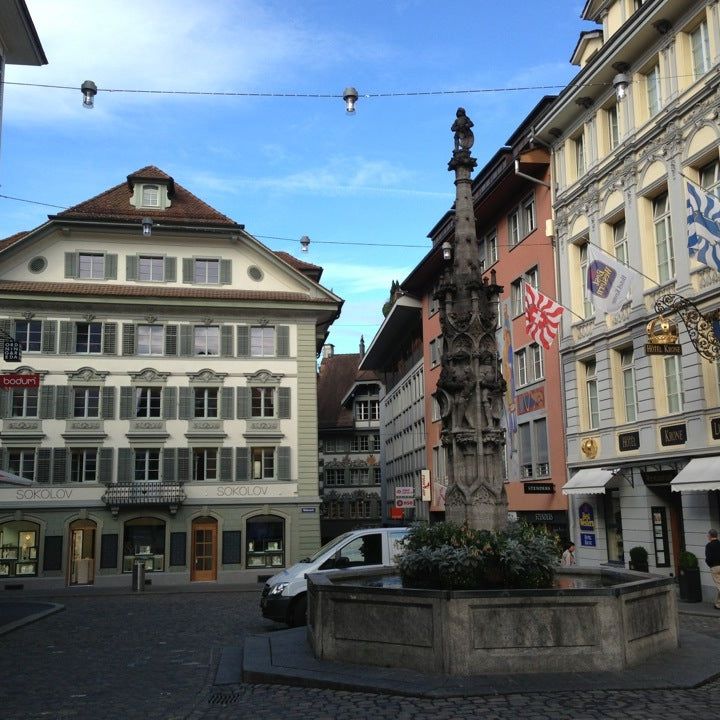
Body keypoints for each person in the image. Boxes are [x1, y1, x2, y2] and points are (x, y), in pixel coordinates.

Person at [705, 529, 720, 609]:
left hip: (714, 567)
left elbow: (708, 558)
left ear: (710, 536)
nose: (707, 537)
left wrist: (710, 565)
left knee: (719, 585)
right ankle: (718, 604)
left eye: (708, 535)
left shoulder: (709, 545)